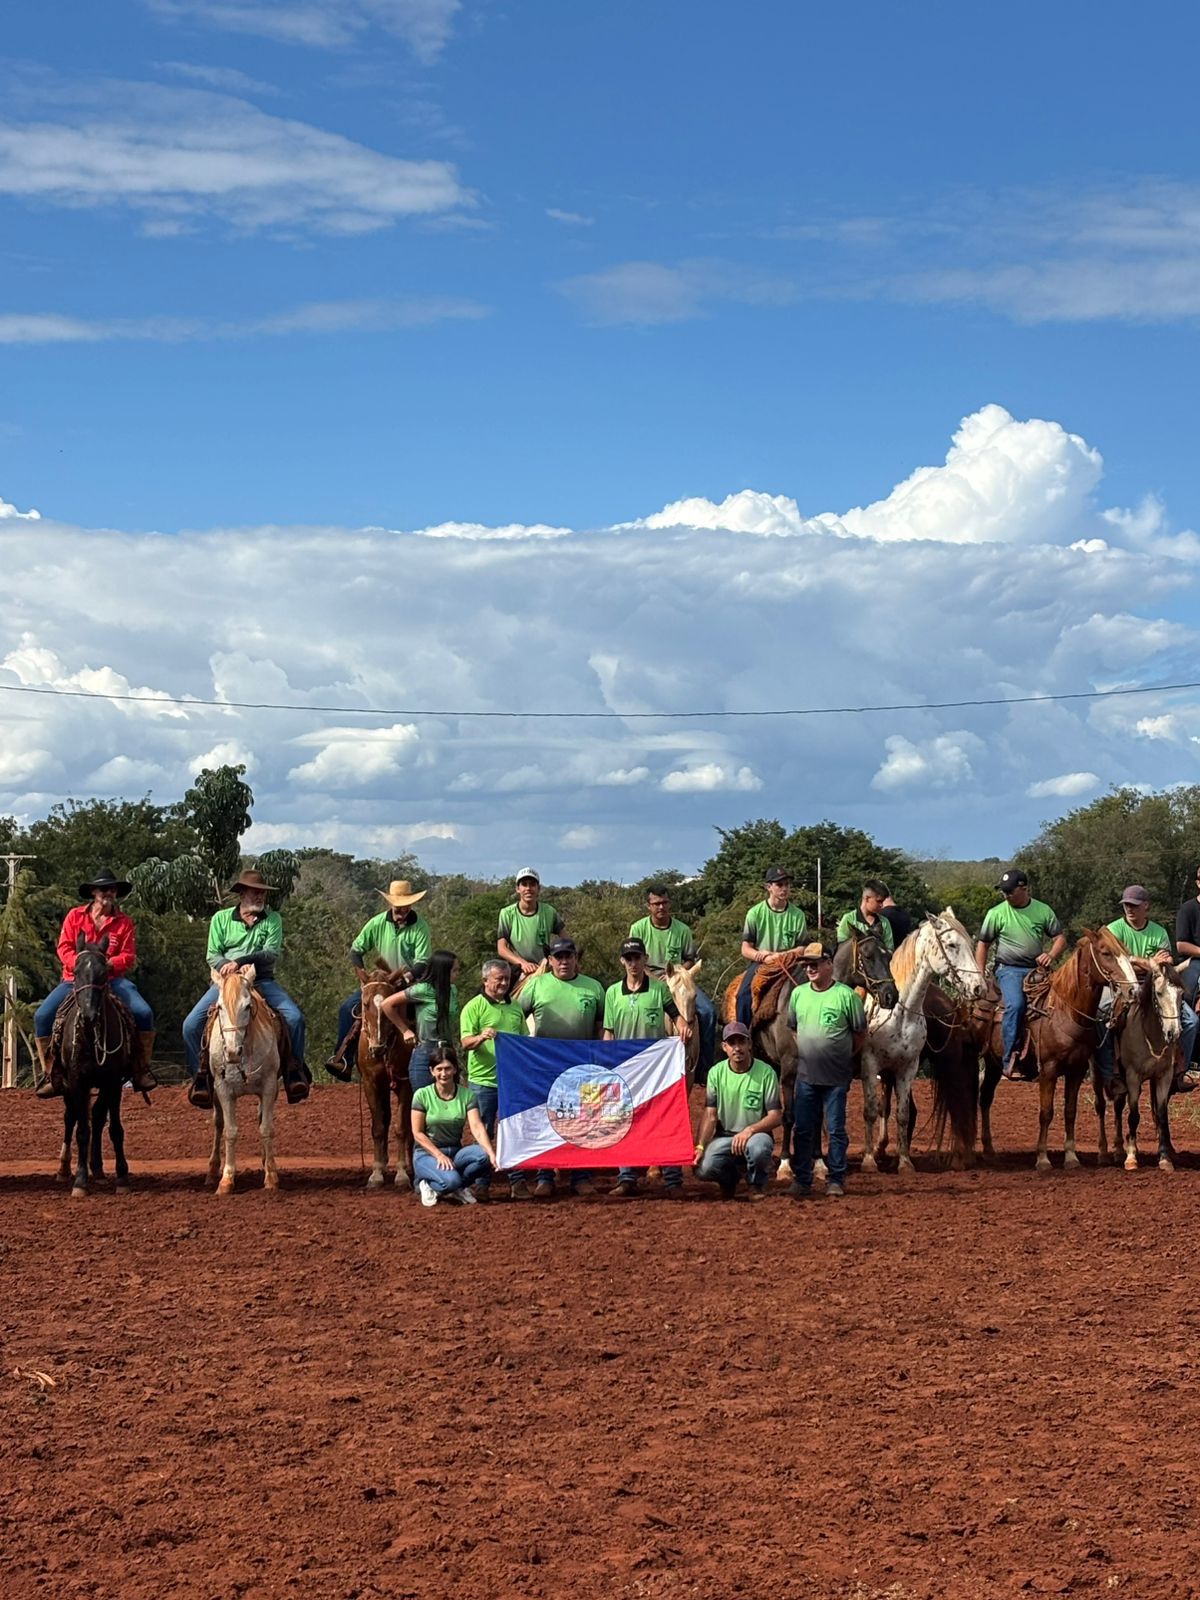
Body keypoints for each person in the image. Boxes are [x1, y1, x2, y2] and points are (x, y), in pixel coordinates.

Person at [184, 868, 311, 1108]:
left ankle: (294, 1070)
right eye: (255, 892)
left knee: (295, 1018)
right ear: (242, 894)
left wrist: (240, 962)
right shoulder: (221, 919)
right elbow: (213, 953)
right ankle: (201, 1077)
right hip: (226, 983)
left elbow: (270, 953)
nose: (260, 897)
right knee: (190, 1025)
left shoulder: (272, 919)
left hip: (261, 980)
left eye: (262, 893)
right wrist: (225, 966)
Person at [35, 868, 157, 1098]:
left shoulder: (124, 922)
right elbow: (64, 947)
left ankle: (140, 1069)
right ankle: (51, 1073)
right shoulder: (75, 916)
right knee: (42, 1016)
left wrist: (109, 964)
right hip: (75, 981)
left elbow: (129, 956)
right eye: (103, 889)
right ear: (93, 892)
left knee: (144, 1013)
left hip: (112, 980)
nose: (108, 893)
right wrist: (80, 966)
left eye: (112, 889)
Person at [517, 937, 604, 1198]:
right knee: (547, 1120)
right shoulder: (536, 985)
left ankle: (581, 1176)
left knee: (584, 1121)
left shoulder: (594, 987)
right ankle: (545, 1176)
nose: (564, 961)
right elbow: (515, 1017)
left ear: (576, 958)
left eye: (569, 956)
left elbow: (601, 1026)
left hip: (582, 1063)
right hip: (545, 1064)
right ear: (550, 960)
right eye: (558, 957)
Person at [326, 880, 432, 1081]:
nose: (402, 909)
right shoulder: (376, 923)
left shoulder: (421, 927)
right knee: (347, 1008)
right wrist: (363, 976)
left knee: (427, 1013)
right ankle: (343, 1059)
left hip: (408, 982)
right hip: (380, 983)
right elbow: (356, 950)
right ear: (390, 904)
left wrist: (406, 977)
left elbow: (422, 962)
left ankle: (433, 1063)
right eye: (398, 905)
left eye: (406, 905)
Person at [604, 937, 685, 1198]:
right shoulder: (612, 993)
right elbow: (608, 1031)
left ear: (645, 959)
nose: (633, 963)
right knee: (623, 1121)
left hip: (655, 1068)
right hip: (625, 1067)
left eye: (637, 958)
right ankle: (627, 1176)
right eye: (628, 958)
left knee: (663, 1117)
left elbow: (676, 1016)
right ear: (622, 961)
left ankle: (673, 1178)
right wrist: (608, 1062)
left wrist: (684, 1026)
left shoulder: (659, 990)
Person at [1099, 886, 1200, 1092]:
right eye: (1126, 905)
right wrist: (1147, 961)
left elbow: (1166, 964)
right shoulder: (1113, 930)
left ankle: (1179, 1071)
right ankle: (1109, 1072)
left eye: (1134, 905)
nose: (1130, 909)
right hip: (1121, 984)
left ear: (1146, 906)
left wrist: (1133, 960)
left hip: (1155, 984)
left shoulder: (1158, 931)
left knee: (1190, 1021)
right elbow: (1115, 963)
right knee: (1101, 1013)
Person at [786, 942, 866, 1199]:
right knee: (803, 1128)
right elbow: (793, 1029)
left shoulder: (847, 996)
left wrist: (841, 1056)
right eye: (807, 964)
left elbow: (859, 1034)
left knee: (835, 1129)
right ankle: (802, 1179)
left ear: (829, 964)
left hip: (835, 1077)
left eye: (815, 963)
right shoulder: (798, 995)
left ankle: (836, 1178)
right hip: (806, 1076)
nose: (810, 968)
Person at [975, 868, 1066, 1081]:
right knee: (1015, 1005)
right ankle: (1009, 1059)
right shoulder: (996, 913)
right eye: (1003, 892)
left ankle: (1055, 1055)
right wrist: (980, 974)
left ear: (1024, 889)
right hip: (1009, 969)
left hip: (1038, 970)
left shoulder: (1042, 910)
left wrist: (1051, 955)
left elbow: (1060, 938)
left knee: (1060, 1003)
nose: (1005, 895)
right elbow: (983, 945)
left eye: (1009, 891)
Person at [629, 883, 716, 1076]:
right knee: (632, 1012)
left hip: (678, 978)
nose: (661, 907)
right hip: (648, 977)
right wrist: (657, 979)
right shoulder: (638, 928)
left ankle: (704, 1069)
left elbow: (689, 959)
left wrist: (678, 975)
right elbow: (634, 959)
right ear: (648, 906)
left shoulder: (682, 930)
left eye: (665, 903)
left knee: (708, 1012)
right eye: (656, 903)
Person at [459, 958, 528, 1198]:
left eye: (507, 978)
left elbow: (524, 1041)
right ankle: (482, 1182)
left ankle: (517, 1181)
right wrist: (481, 1037)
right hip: (483, 1082)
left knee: (514, 1130)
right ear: (485, 980)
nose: (503, 983)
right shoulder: (473, 1007)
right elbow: (465, 1042)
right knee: (484, 1132)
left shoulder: (515, 1008)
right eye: (499, 978)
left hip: (511, 1081)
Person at [693, 1022, 782, 1201]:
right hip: (725, 1135)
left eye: (741, 1042)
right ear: (724, 1047)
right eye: (731, 1043)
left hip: (756, 1134)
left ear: (749, 1044)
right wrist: (700, 1146)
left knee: (759, 1149)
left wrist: (749, 1131)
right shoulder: (715, 1073)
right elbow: (710, 1115)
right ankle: (729, 1180)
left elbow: (776, 1116)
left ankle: (756, 1184)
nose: (737, 1048)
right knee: (703, 1168)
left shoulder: (766, 1073)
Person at [412, 1043, 498, 1207]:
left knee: (483, 1158)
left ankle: (457, 1185)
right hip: (427, 1153)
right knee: (450, 1182)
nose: (443, 1073)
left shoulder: (467, 1095)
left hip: (455, 1151)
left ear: (455, 1070)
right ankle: (428, 1184)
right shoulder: (421, 1095)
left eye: (448, 1068)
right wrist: (438, 1155)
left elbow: (477, 1126)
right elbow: (417, 1133)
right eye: (439, 1069)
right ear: (432, 1071)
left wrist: (490, 1152)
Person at [735, 867, 809, 1029]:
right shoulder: (755, 913)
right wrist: (764, 956)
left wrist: (784, 955)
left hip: (791, 963)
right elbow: (746, 949)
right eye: (779, 884)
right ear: (769, 887)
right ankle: (742, 1036)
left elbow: (803, 947)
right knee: (743, 996)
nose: (784, 888)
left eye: (787, 884)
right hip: (763, 963)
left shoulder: (798, 915)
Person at [380, 949, 459, 1091]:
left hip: (448, 1051)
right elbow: (386, 1004)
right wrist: (405, 1031)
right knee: (424, 1104)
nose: (457, 975)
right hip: (425, 1053)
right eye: (454, 971)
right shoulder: (423, 990)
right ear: (443, 971)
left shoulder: (453, 990)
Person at [496, 869, 564, 982]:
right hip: (518, 969)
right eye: (524, 884)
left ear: (538, 889)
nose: (528, 888)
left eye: (532, 884)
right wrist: (523, 963)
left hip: (544, 967)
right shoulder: (507, 913)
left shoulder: (549, 911)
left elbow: (566, 940)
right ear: (518, 889)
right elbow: (502, 948)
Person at [836, 879, 895, 952]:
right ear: (867, 899)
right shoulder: (849, 919)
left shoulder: (884, 922)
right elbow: (841, 950)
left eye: (882, 902)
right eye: (879, 901)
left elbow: (890, 950)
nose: (882, 905)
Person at [1176, 866, 1200, 1006]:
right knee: (1191, 985)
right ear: (1198, 883)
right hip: (1194, 960)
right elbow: (1181, 945)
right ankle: (1190, 1010)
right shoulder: (1187, 909)